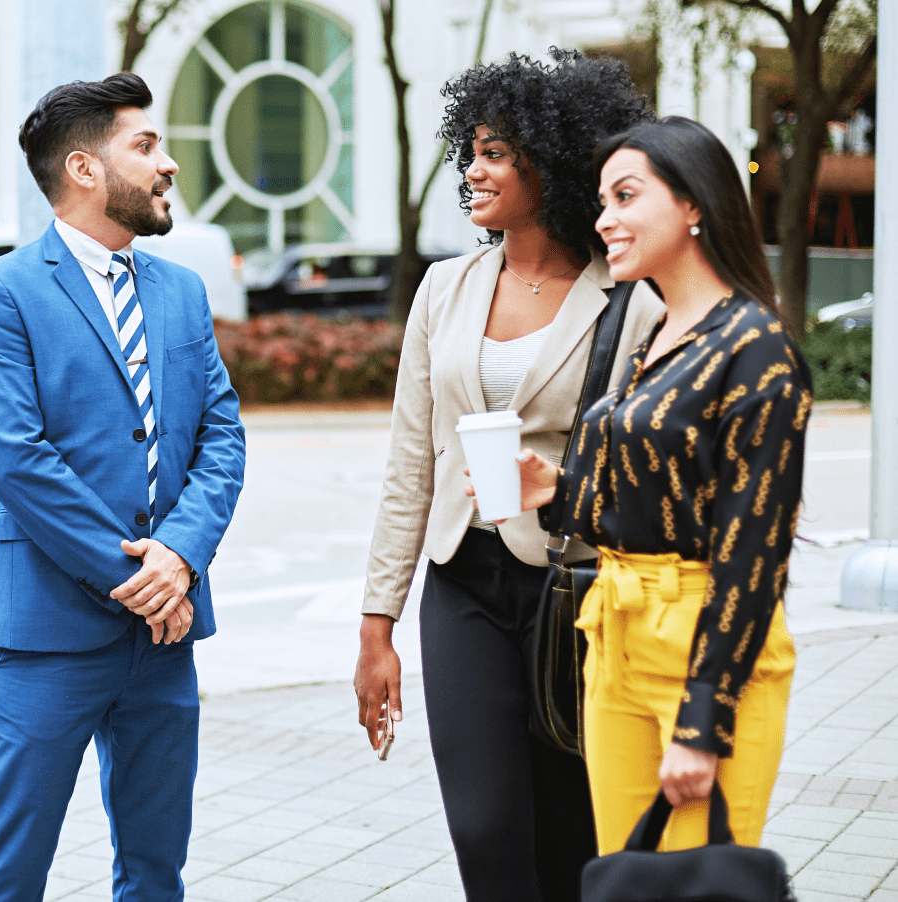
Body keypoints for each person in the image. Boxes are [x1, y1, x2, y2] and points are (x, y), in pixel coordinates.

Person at [353, 49, 663, 902]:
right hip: (464, 584)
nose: (474, 169)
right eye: (472, 148)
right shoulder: (444, 290)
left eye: (497, 151)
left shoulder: (630, 299)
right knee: (486, 828)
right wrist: (377, 624)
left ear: (553, 160)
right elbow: (409, 460)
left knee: (574, 832)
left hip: (579, 588)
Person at [0, 72, 246, 902]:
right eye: (146, 146)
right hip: (47, 636)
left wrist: (181, 558)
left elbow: (221, 436)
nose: (170, 165)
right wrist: (142, 581)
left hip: (163, 641)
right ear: (85, 169)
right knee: (8, 872)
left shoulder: (182, 291)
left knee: (156, 872)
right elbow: (15, 458)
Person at [506, 115, 809, 854]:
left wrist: (704, 723)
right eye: (603, 200)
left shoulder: (757, 349)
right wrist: (558, 490)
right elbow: (655, 503)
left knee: (694, 881)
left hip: (703, 639)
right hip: (615, 628)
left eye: (626, 197)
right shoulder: (659, 333)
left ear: (695, 203)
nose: (605, 218)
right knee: (626, 875)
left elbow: (754, 552)